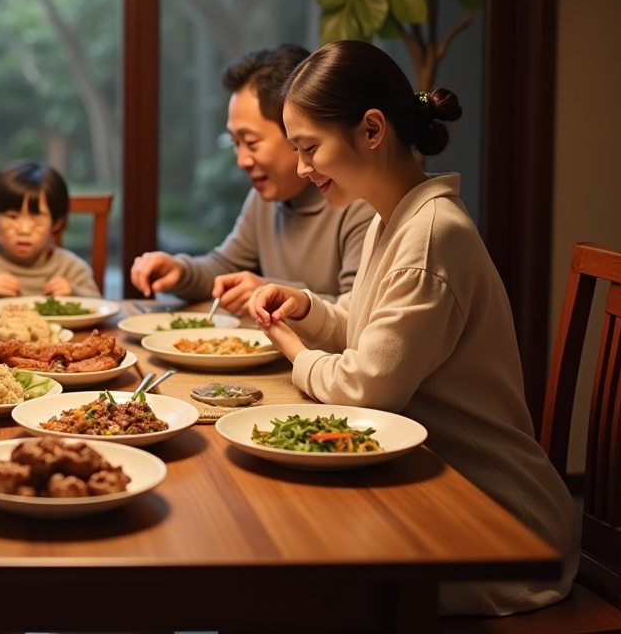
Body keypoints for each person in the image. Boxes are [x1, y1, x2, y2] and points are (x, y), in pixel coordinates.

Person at [245, 39, 578, 616]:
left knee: (283, 583)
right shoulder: (393, 219)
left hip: (502, 526)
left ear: (372, 130)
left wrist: (295, 351)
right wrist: (308, 307)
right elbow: (373, 329)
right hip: (437, 495)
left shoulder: (431, 235)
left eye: (309, 148)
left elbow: (369, 387)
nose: (301, 168)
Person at [130, 44, 374, 314]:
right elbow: (225, 267)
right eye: (235, 142)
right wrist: (180, 270)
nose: (242, 160)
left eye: (251, 141)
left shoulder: (359, 199)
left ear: (296, 128)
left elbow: (356, 314)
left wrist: (271, 292)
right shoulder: (266, 196)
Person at [0, 160, 101, 301]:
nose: (24, 230)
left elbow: (99, 304)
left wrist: (74, 292)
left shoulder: (70, 267)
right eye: (12, 217)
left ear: (56, 223)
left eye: (37, 219)